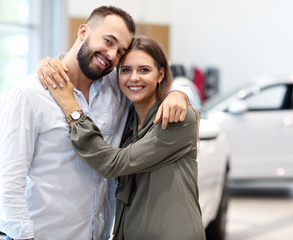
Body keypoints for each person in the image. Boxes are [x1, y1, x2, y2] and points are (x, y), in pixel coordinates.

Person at [0, 6, 191, 240]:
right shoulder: (29, 94)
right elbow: (10, 181)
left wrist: (178, 94)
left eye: (120, 51)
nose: (111, 55)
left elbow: (152, 80)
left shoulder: (116, 88)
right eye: (108, 41)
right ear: (82, 32)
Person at [43, 35, 205, 240]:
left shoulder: (176, 119)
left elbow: (112, 163)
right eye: (126, 70)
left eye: (144, 70)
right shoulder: (127, 117)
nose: (134, 78)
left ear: (161, 74)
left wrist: (71, 108)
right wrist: (49, 64)